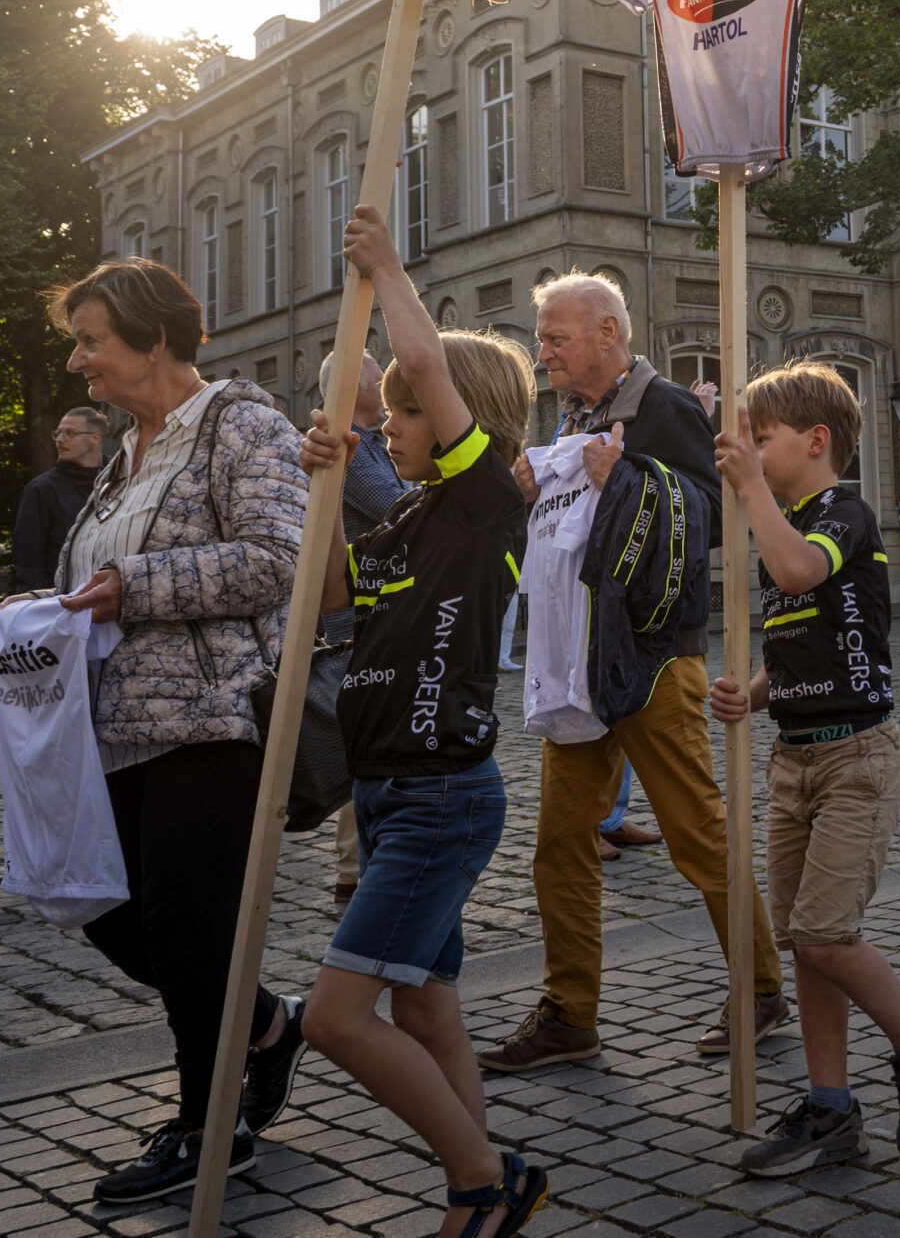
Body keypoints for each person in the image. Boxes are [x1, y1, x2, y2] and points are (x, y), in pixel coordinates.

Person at [0, 260, 309, 1202]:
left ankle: (211, 1129)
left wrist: (132, 587)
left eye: (91, 340)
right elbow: (91, 580)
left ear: (155, 337)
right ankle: (267, 1024)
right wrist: (33, 608)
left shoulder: (243, 422)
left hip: (212, 716)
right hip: (111, 726)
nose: (77, 361)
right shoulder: (125, 452)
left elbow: (274, 561)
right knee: (101, 906)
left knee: (187, 925)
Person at [296, 205, 546, 1238]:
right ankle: (478, 1187)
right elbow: (329, 597)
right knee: (427, 1006)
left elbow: (428, 366)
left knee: (333, 1017)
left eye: (401, 412)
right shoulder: (401, 516)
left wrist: (390, 267)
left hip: (442, 793)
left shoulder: (485, 504)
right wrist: (322, 482)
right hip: (387, 791)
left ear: (456, 419)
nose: (386, 427)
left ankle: (484, 1177)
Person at [476, 274, 786, 1074]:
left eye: (556, 337)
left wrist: (624, 480)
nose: (543, 353)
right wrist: (526, 493)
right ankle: (569, 1011)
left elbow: (710, 517)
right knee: (559, 842)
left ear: (608, 332)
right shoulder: (569, 418)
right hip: (574, 663)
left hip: (653, 659)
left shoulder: (666, 407)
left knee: (697, 834)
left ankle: (761, 987)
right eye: (542, 339)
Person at [706, 363, 900, 1176]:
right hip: (793, 757)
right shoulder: (783, 521)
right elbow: (795, 632)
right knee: (805, 941)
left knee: (826, 931)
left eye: (763, 438)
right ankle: (829, 1104)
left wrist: (750, 489)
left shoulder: (843, 514)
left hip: (857, 756)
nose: (751, 452)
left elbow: (798, 573)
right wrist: (751, 692)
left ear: (816, 441)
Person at [314, 351, 414, 905]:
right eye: (380, 374)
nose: (389, 380)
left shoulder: (374, 442)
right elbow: (396, 507)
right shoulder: (348, 446)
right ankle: (355, 871)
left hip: (380, 614)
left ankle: (357, 868)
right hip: (355, 619)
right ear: (356, 383)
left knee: (372, 737)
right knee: (367, 740)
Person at [11, 408, 106, 594]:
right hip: (63, 601)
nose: (60, 440)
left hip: (115, 599)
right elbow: (28, 563)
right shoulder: (40, 490)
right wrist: (45, 603)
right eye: (58, 433)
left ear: (95, 437)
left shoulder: (121, 481)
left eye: (70, 433)